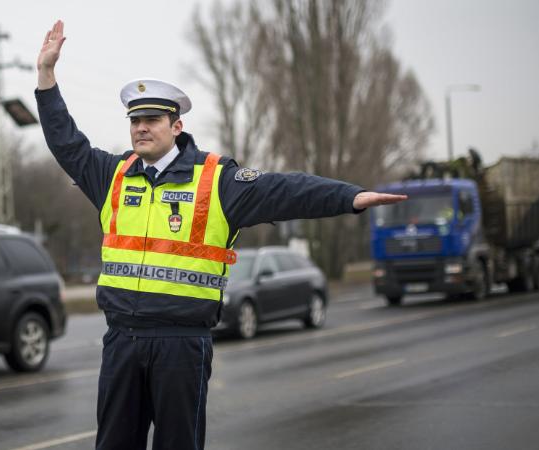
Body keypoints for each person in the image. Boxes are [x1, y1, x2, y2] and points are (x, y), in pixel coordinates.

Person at [34, 20, 406, 450]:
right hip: (121, 340)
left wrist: (351, 197)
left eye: (152, 119)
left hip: (181, 343)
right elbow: (66, 143)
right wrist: (46, 77)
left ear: (176, 125)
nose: (140, 127)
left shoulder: (216, 180)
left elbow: (285, 190)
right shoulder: (112, 176)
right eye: (134, 120)